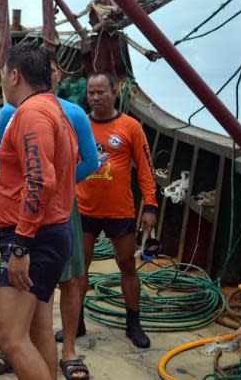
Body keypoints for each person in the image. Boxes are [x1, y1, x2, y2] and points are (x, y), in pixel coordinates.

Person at [0, 53, 98, 379]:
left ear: (15, 75)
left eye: (3, 74)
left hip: (34, 239)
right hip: (48, 232)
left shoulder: (32, 114)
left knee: (9, 337)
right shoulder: (56, 110)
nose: (2, 81)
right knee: (38, 330)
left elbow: (39, 181)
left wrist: (20, 247)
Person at [76, 71, 158, 349]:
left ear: (115, 93)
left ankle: (133, 323)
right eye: (91, 92)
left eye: (102, 92)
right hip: (83, 208)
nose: (96, 97)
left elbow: (145, 170)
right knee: (80, 266)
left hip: (119, 210)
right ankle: (76, 321)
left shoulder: (131, 127)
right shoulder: (79, 125)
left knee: (126, 265)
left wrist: (150, 206)